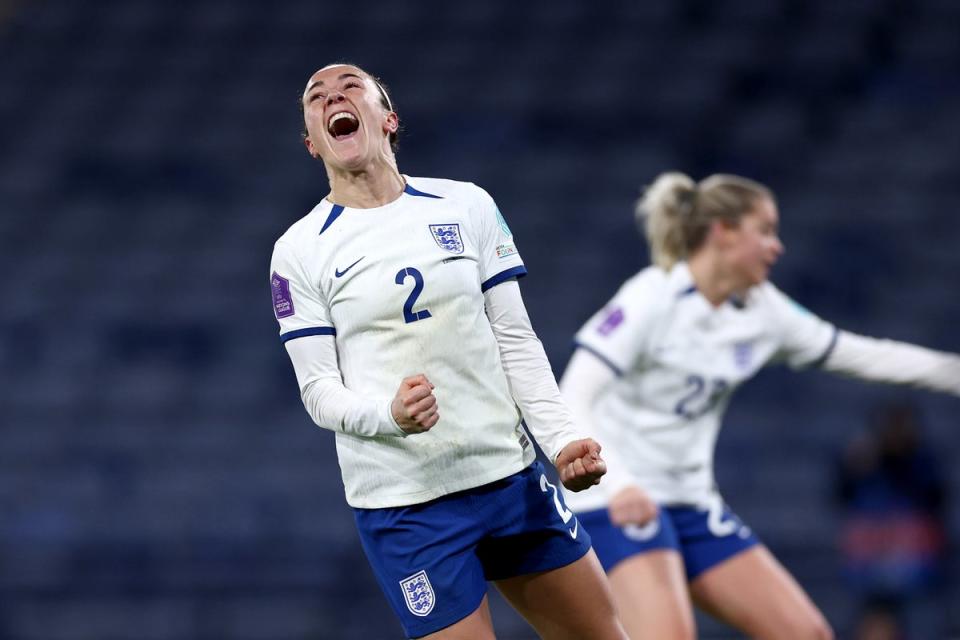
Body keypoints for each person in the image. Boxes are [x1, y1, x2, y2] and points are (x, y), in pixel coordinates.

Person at [269, 63, 628, 640]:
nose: (332, 94)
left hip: (509, 478)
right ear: (313, 143)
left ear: (388, 119)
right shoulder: (298, 251)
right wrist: (389, 416)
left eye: (350, 86)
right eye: (316, 95)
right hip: (407, 506)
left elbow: (515, 338)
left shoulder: (466, 206)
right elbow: (318, 391)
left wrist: (561, 442)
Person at [558, 171, 960, 640]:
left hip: (691, 504)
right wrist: (621, 484)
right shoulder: (652, 295)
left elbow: (866, 354)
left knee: (807, 634)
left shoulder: (765, 311)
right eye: (765, 231)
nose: (777, 246)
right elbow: (573, 395)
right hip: (619, 501)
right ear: (723, 232)